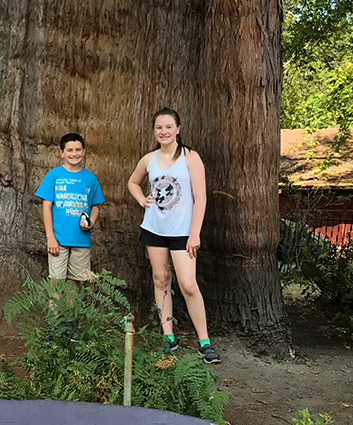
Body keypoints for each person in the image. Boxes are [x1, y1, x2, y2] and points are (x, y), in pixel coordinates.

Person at [127, 108, 220, 364]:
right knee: (160, 279)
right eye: (159, 128)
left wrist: (195, 233)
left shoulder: (191, 157)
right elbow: (133, 182)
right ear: (154, 131)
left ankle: (204, 342)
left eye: (169, 127)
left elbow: (201, 198)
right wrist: (142, 200)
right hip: (155, 229)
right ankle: (169, 337)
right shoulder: (149, 159)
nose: (164, 132)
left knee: (188, 285)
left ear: (178, 129)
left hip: (183, 232)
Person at [35, 133, 105, 282]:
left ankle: (72, 307)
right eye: (70, 150)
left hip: (81, 240)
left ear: (84, 151)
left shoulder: (90, 178)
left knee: (77, 283)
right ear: (62, 153)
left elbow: (95, 206)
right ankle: (55, 307)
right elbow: (46, 207)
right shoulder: (53, 175)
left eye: (78, 150)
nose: (74, 154)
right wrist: (50, 238)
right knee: (57, 283)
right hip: (58, 240)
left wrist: (90, 222)